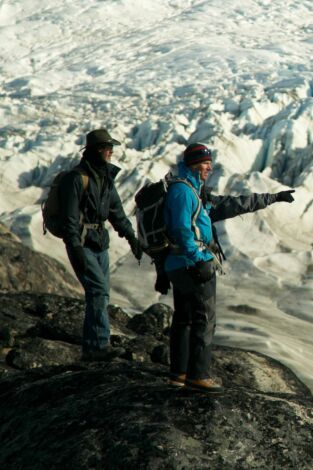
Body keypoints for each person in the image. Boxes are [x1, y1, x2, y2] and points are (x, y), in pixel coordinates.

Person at [161, 143, 295, 392]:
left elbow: (233, 204)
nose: (209, 168)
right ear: (192, 164)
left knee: (185, 319)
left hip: (181, 263)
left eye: (209, 163)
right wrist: (199, 258)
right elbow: (181, 230)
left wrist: (272, 197)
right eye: (204, 163)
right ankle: (197, 375)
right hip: (191, 264)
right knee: (204, 319)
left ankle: (178, 374)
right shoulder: (183, 192)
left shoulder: (194, 190)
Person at [59, 129, 142, 361]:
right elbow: (70, 219)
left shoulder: (105, 178)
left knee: (100, 295)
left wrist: (131, 237)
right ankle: (98, 346)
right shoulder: (77, 179)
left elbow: (116, 212)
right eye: (108, 148)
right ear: (97, 150)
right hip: (83, 244)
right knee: (98, 291)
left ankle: (91, 348)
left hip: (100, 244)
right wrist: (74, 247)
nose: (111, 152)